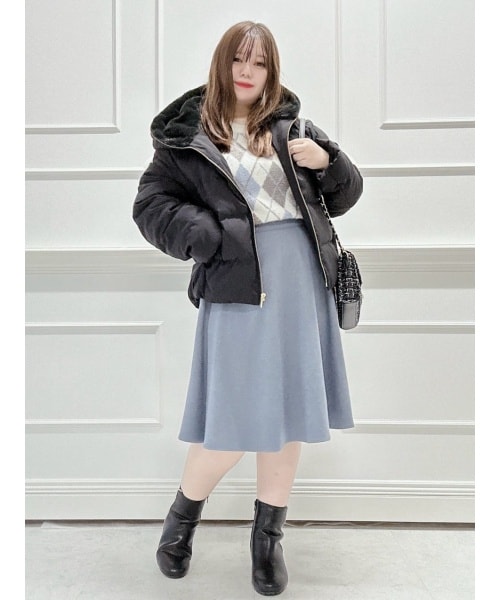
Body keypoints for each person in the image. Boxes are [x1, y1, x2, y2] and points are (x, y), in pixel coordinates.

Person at [133, 20, 363, 597]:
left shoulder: (293, 126)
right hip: (237, 283)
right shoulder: (187, 135)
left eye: (259, 63)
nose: (247, 71)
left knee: (289, 415)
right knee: (232, 422)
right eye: (239, 59)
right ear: (223, 63)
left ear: (271, 71)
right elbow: (150, 205)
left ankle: (267, 541)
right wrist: (204, 234)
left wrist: (327, 161)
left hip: (300, 279)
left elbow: (346, 193)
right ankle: (183, 518)